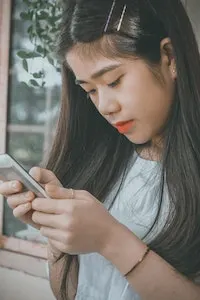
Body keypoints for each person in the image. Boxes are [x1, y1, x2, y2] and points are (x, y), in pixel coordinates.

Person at [1, 0, 200, 299]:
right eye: (90, 91)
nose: (105, 107)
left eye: (114, 81)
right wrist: (57, 234)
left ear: (169, 57)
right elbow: (70, 293)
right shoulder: (99, 163)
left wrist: (109, 239)